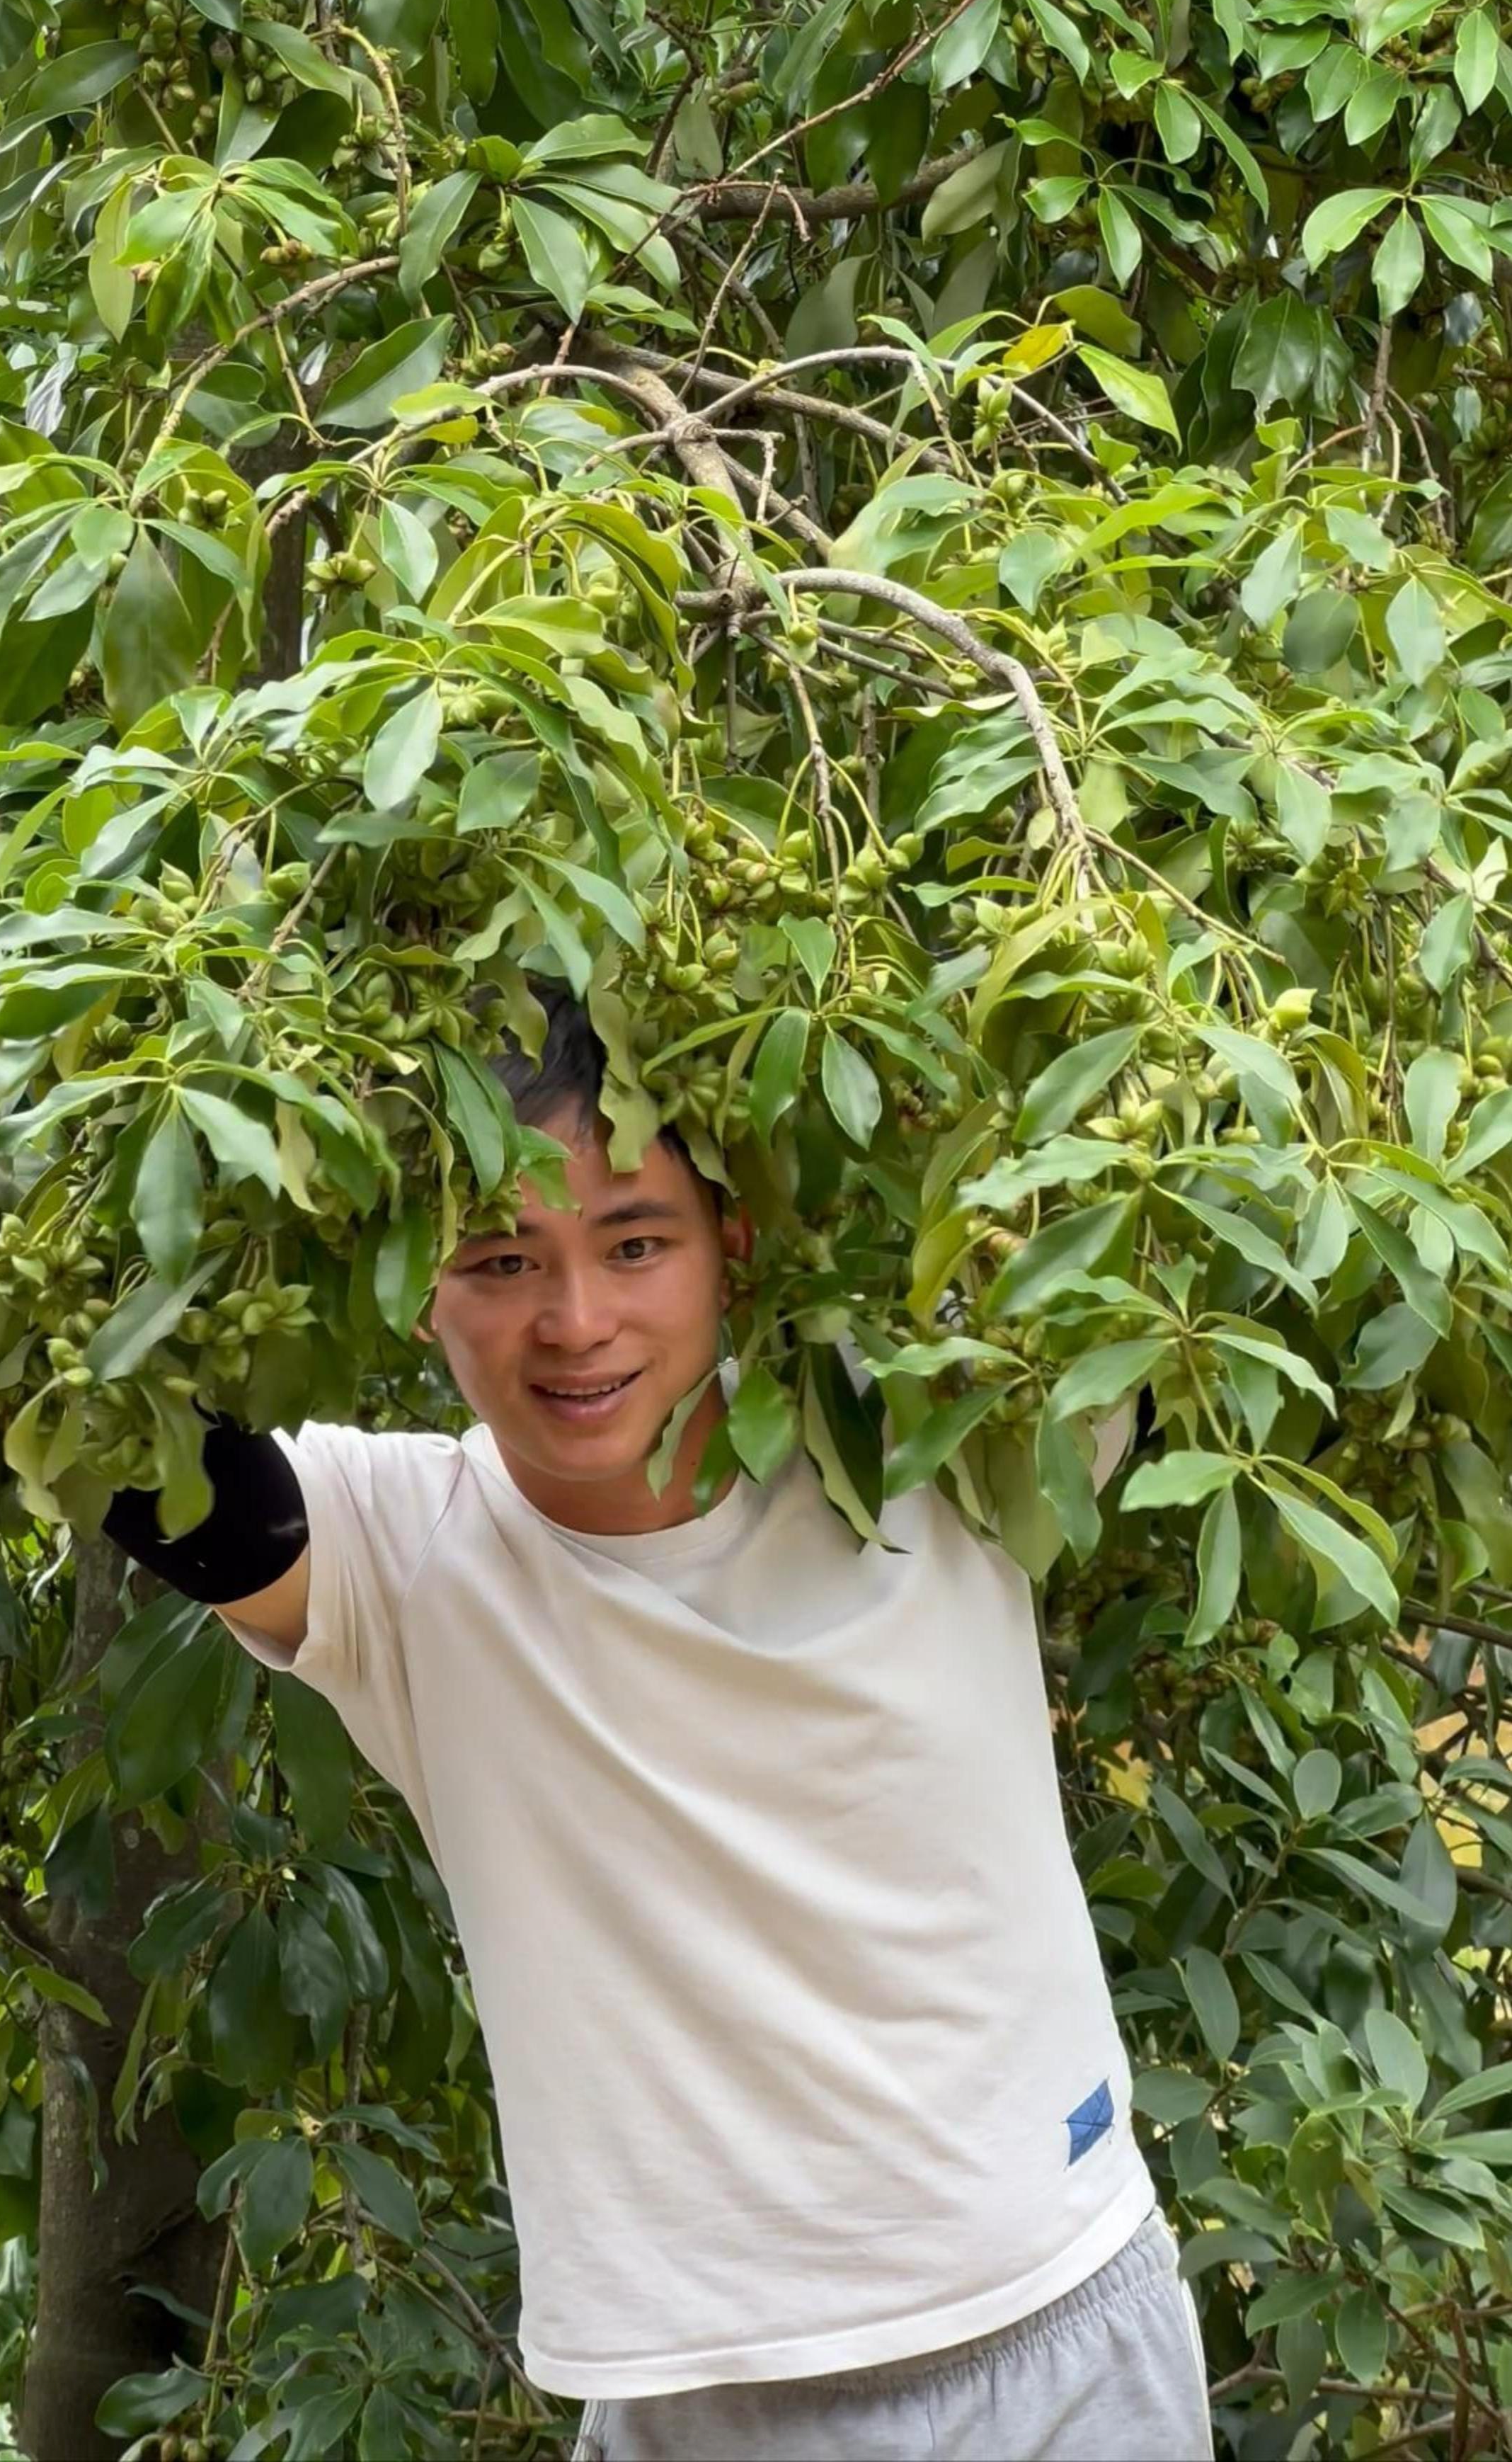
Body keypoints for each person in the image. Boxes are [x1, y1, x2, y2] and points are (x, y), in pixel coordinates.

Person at [101, 987, 1213, 2462]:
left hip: (1055, 2333)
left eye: (635, 1242)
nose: (575, 1322)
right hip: (694, 2404)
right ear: (418, 1287)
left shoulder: (935, 1432)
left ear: (730, 1247)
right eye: (500, 1259)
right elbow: (136, 1444)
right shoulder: (406, 1555)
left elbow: (1110, 1146)